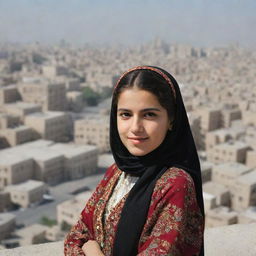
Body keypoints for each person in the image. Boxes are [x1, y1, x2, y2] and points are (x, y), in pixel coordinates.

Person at [64, 66, 205, 256]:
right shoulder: (117, 171)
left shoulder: (175, 185)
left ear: (171, 119)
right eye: (126, 114)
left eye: (149, 115)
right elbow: (76, 236)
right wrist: (85, 243)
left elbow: (86, 242)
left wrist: (92, 249)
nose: (135, 127)